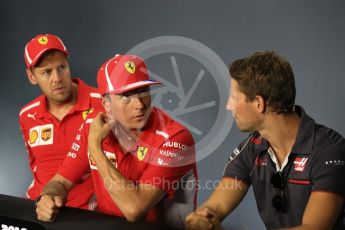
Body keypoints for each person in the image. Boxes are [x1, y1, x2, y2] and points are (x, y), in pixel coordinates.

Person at [185, 51, 345, 230]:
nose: (228, 106)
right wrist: (202, 218)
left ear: (259, 103)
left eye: (234, 97)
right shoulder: (250, 149)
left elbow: (315, 228)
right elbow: (216, 206)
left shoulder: (330, 150)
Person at [35, 54, 198, 228]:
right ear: (106, 103)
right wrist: (48, 196)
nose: (139, 105)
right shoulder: (93, 127)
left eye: (143, 92)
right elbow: (60, 182)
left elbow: (135, 209)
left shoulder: (176, 138)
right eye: (126, 96)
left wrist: (94, 148)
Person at [19, 34, 102, 210]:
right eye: (46, 72)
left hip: (89, 212)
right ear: (32, 77)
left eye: (61, 67)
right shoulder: (27, 115)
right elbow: (37, 167)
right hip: (39, 206)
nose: (57, 78)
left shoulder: (103, 103)